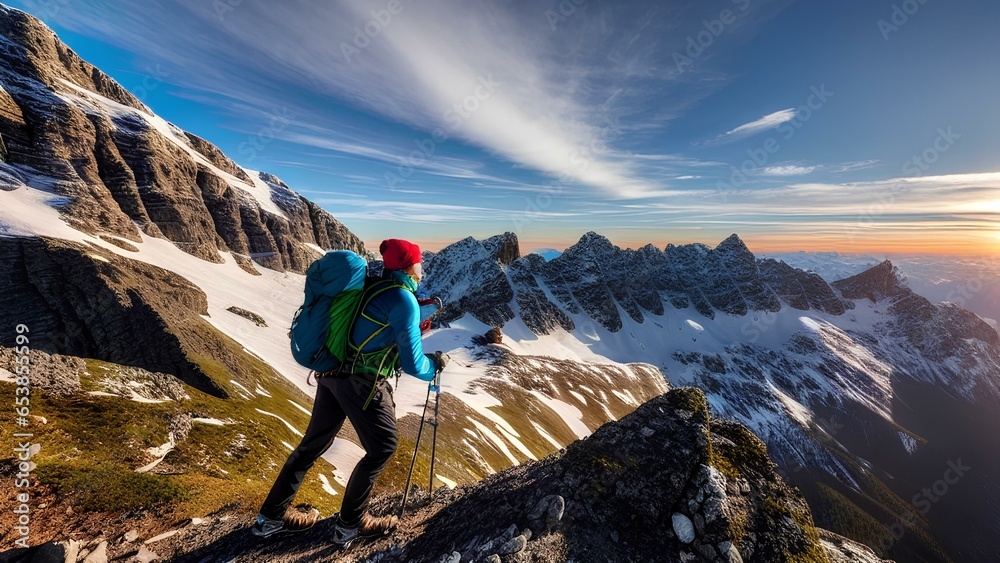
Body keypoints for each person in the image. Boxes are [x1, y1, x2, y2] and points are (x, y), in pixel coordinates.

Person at [252, 239, 448, 545]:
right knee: (383, 447)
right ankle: (349, 526)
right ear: (410, 265)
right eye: (420, 263)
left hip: (332, 373)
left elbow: (368, 331)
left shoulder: (370, 286)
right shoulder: (404, 300)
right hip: (362, 381)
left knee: (313, 444)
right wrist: (433, 365)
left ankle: (269, 519)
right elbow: (412, 364)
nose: (423, 269)